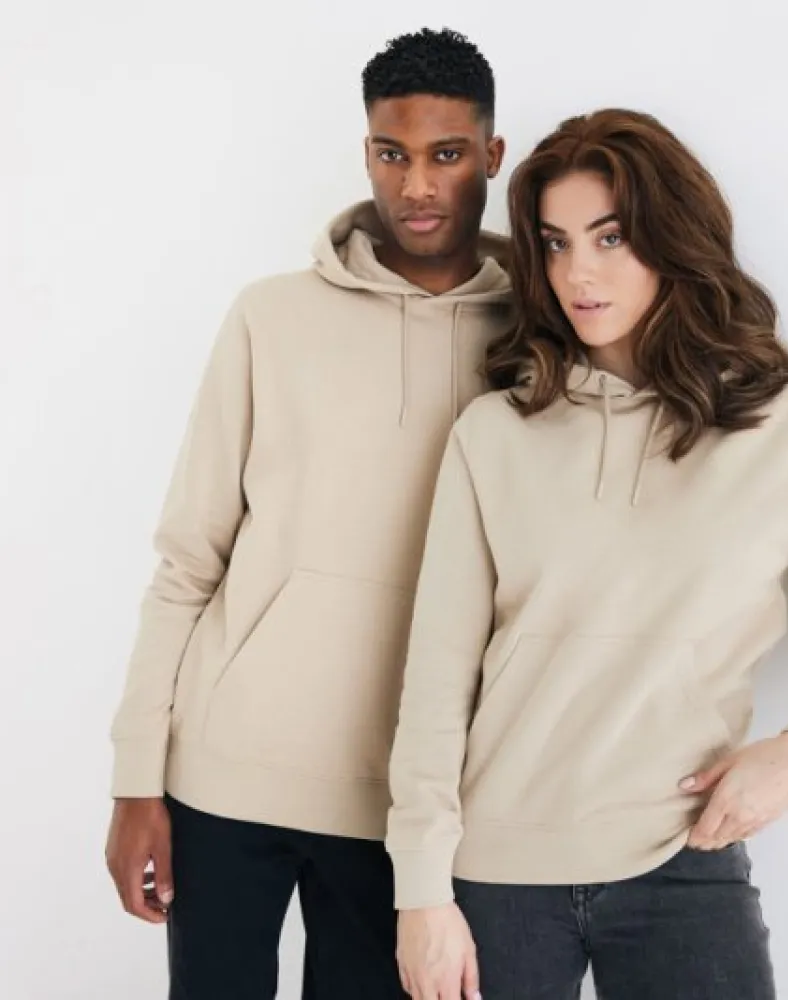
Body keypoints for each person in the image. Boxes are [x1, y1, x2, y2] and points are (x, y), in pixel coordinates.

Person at [387, 108, 788, 1000]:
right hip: (495, 875)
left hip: (685, 858)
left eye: (611, 237)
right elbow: (437, 680)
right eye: (555, 244)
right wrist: (421, 893)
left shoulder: (785, 428)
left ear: (673, 239)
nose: (578, 273)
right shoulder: (495, 433)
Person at [104, 28, 511, 1000]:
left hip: (405, 806)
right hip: (224, 777)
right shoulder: (270, 317)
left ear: (493, 155)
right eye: (392, 153)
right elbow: (188, 559)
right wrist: (135, 777)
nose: (417, 184)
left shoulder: (537, 335)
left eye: (448, 155)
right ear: (366, 150)